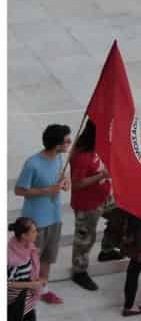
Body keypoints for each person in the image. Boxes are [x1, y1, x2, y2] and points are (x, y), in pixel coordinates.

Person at [15, 125, 72, 307]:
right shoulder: (33, 163)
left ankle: (43, 289)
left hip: (54, 219)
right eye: (66, 140)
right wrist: (48, 190)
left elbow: (59, 176)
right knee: (31, 260)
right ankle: (25, 291)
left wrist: (65, 181)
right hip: (36, 223)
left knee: (48, 258)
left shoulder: (58, 158)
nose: (69, 143)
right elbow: (19, 190)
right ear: (57, 144)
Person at [7, 217, 56, 321]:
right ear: (23, 235)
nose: (37, 233)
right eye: (34, 231)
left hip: (26, 297)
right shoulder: (10, 257)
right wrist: (31, 285)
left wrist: (35, 281)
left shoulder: (27, 246)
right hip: (13, 300)